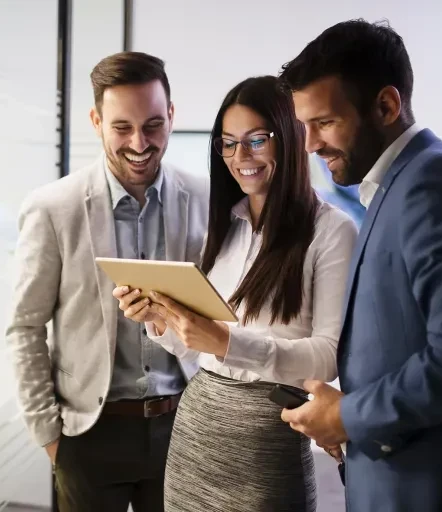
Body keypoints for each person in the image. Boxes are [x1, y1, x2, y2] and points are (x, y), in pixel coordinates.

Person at [277, 19, 442, 511]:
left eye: (325, 123)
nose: (311, 144)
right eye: (304, 127)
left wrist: (349, 416)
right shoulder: (392, 187)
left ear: (386, 105)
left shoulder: (437, 181)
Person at [114, 75, 358, 511]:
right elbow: (196, 348)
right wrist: (158, 319)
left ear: (289, 137)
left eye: (256, 140)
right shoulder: (227, 223)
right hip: (197, 432)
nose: (239, 157)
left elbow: (329, 356)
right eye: (227, 143)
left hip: (267, 439)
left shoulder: (332, 230)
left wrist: (227, 342)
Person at [5, 51, 209, 512]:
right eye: (122, 127)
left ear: (172, 117)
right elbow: (24, 327)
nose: (139, 142)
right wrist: (50, 437)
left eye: (154, 124)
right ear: (96, 121)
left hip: (185, 427)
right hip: (89, 436)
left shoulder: (205, 198)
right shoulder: (53, 208)